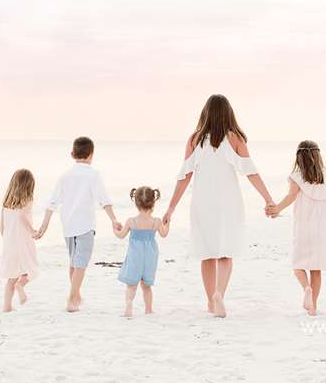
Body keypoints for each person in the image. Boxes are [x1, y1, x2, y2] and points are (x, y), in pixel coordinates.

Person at [163, 94, 275, 318]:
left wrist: (171, 208)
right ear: (228, 113)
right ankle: (219, 295)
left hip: (203, 203)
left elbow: (184, 176)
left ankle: (210, 302)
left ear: (205, 113)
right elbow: (251, 171)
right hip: (228, 203)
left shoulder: (195, 139)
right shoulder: (235, 138)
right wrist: (268, 198)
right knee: (226, 252)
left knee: (207, 254)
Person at [35, 136, 122, 312]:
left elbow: (52, 203)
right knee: (81, 263)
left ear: (72, 154)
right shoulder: (94, 175)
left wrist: (43, 226)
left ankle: (76, 295)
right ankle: (71, 298)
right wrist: (113, 219)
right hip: (85, 225)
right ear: (91, 155)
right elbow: (104, 200)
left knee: (74, 262)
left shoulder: (64, 176)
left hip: (67, 225)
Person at [268, 140, 326, 315]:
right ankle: (313, 306)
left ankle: (306, 288)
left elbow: (291, 196)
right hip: (322, 227)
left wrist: (276, 208)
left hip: (304, 225)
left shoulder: (295, 176)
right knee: (316, 268)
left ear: (298, 157)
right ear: (318, 156)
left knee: (298, 264)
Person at [115, 186, 170, 317]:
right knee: (146, 286)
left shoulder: (131, 221)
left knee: (131, 285)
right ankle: (148, 309)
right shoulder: (156, 221)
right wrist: (167, 224)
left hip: (135, 256)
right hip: (150, 256)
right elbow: (164, 234)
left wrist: (115, 228)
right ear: (153, 203)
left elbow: (121, 235)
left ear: (135, 203)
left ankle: (129, 305)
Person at [0, 168, 40, 312]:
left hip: (9, 244)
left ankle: (7, 306)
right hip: (23, 242)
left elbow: (2, 228)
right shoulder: (27, 201)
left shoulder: (6, 204)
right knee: (32, 269)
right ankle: (21, 286)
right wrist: (33, 231)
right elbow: (23, 217)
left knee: (11, 276)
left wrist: (8, 239)